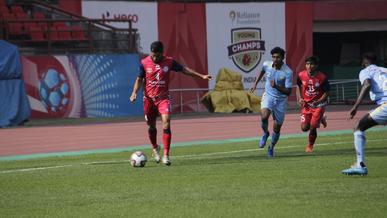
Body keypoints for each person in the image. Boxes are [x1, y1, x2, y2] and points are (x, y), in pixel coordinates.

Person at [129, 41, 212, 166]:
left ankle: (166, 155)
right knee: (151, 126)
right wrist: (134, 92)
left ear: (162, 53)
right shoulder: (144, 62)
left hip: (163, 98)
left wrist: (201, 76)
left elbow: (184, 70)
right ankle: (155, 148)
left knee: (166, 122)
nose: (155, 57)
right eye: (153, 55)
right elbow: (139, 79)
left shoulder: (169, 61)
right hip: (148, 99)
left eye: (157, 55)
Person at [342, 52, 387, 176]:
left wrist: (355, 106)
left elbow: (367, 84)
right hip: (384, 104)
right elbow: (380, 94)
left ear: (363, 61)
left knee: (358, 127)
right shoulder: (384, 70)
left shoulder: (365, 71)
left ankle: (360, 165)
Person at [250, 47, 293, 157]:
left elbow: (288, 92)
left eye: (278, 57)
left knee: (277, 128)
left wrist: (276, 86)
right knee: (264, 116)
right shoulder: (266, 64)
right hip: (268, 96)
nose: (275, 59)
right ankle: (265, 133)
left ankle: (271, 147)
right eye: (273, 57)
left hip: (280, 100)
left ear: (283, 58)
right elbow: (262, 71)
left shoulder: (287, 72)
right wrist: (255, 84)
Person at [296, 56, 330, 153]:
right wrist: (299, 98)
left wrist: (319, 101)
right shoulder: (301, 75)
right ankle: (322, 118)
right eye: (307, 64)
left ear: (316, 66)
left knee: (312, 127)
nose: (309, 66)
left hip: (318, 105)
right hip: (306, 105)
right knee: (304, 128)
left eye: (311, 64)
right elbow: (298, 86)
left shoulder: (322, 77)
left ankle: (310, 145)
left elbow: (327, 92)